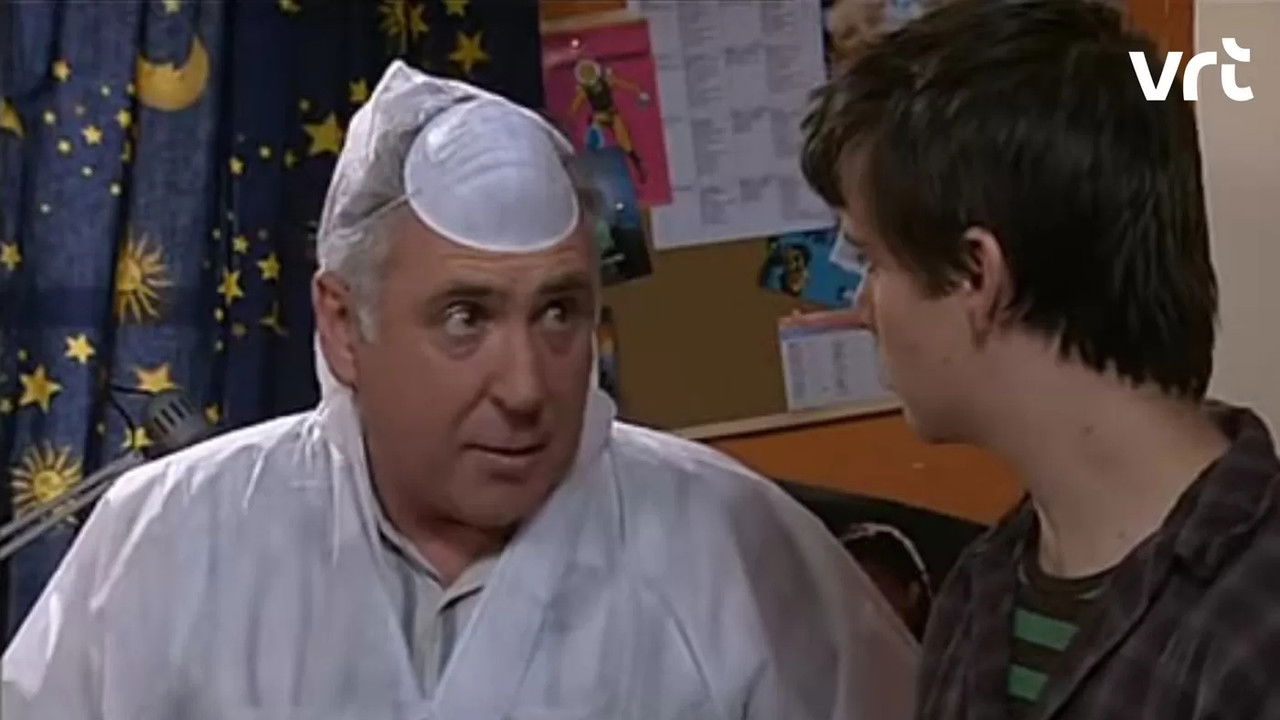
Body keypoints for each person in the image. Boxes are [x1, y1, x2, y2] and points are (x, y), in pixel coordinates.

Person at [2, 60, 918, 719]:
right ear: (342, 324)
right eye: (464, 317)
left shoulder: (739, 547)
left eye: (558, 312)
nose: (525, 387)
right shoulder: (170, 540)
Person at [800, 0, 1280, 717]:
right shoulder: (979, 595)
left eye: (873, 262)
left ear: (977, 274)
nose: (863, 307)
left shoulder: (1259, 616)